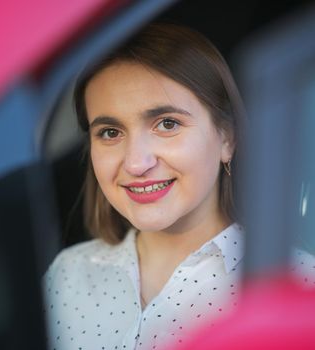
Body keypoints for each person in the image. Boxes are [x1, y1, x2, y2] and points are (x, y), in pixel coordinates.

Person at [43, 22, 247, 350]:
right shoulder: (65, 275)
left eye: (167, 124)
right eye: (110, 132)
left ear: (227, 138)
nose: (137, 163)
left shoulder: (297, 286)